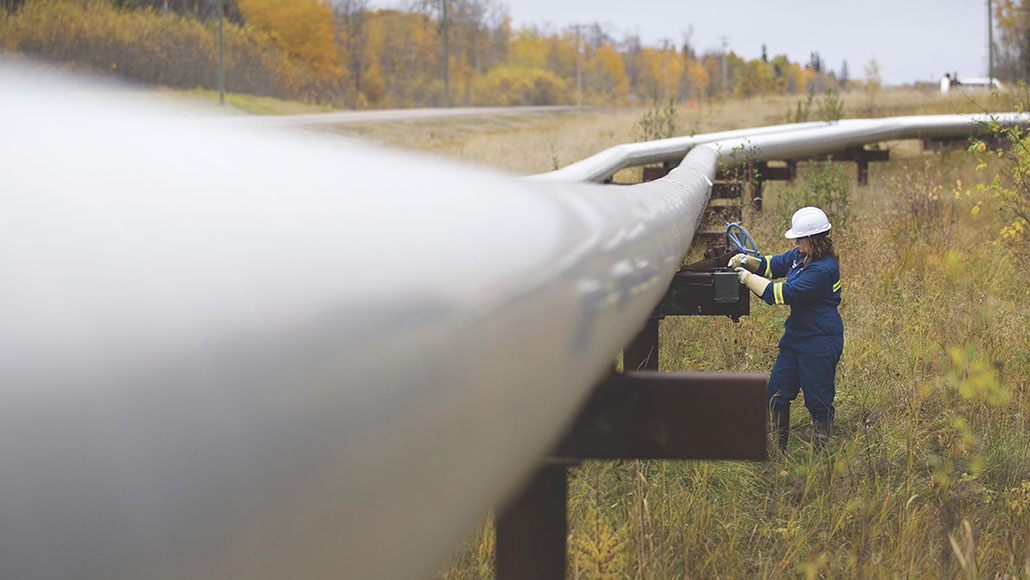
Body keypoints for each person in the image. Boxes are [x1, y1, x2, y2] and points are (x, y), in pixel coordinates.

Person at [728, 207, 843, 452]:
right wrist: (748, 261)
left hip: (820, 340)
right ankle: (776, 451)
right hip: (796, 337)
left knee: (818, 400)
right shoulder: (800, 255)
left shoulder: (822, 270)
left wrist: (746, 278)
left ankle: (821, 457)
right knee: (776, 394)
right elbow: (773, 265)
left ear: (813, 239)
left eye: (799, 239)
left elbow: (781, 294)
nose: (795, 243)